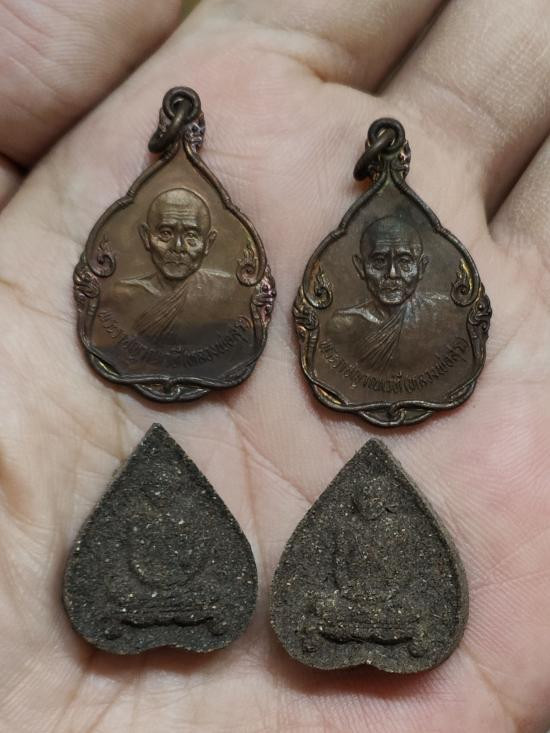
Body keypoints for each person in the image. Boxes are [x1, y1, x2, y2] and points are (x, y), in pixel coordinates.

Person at [327, 216, 447, 370]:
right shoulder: (344, 325)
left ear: (421, 268)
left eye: (404, 261)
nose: (392, 273)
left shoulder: (442, 315)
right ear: (360, 267)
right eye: (379, 261)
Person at [115, 187, 230, 345]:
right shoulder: (123, 296)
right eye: (166, 233)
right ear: (146, 237)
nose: (178, 247)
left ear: (208, 243)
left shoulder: (225, 290)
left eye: (191, 236)